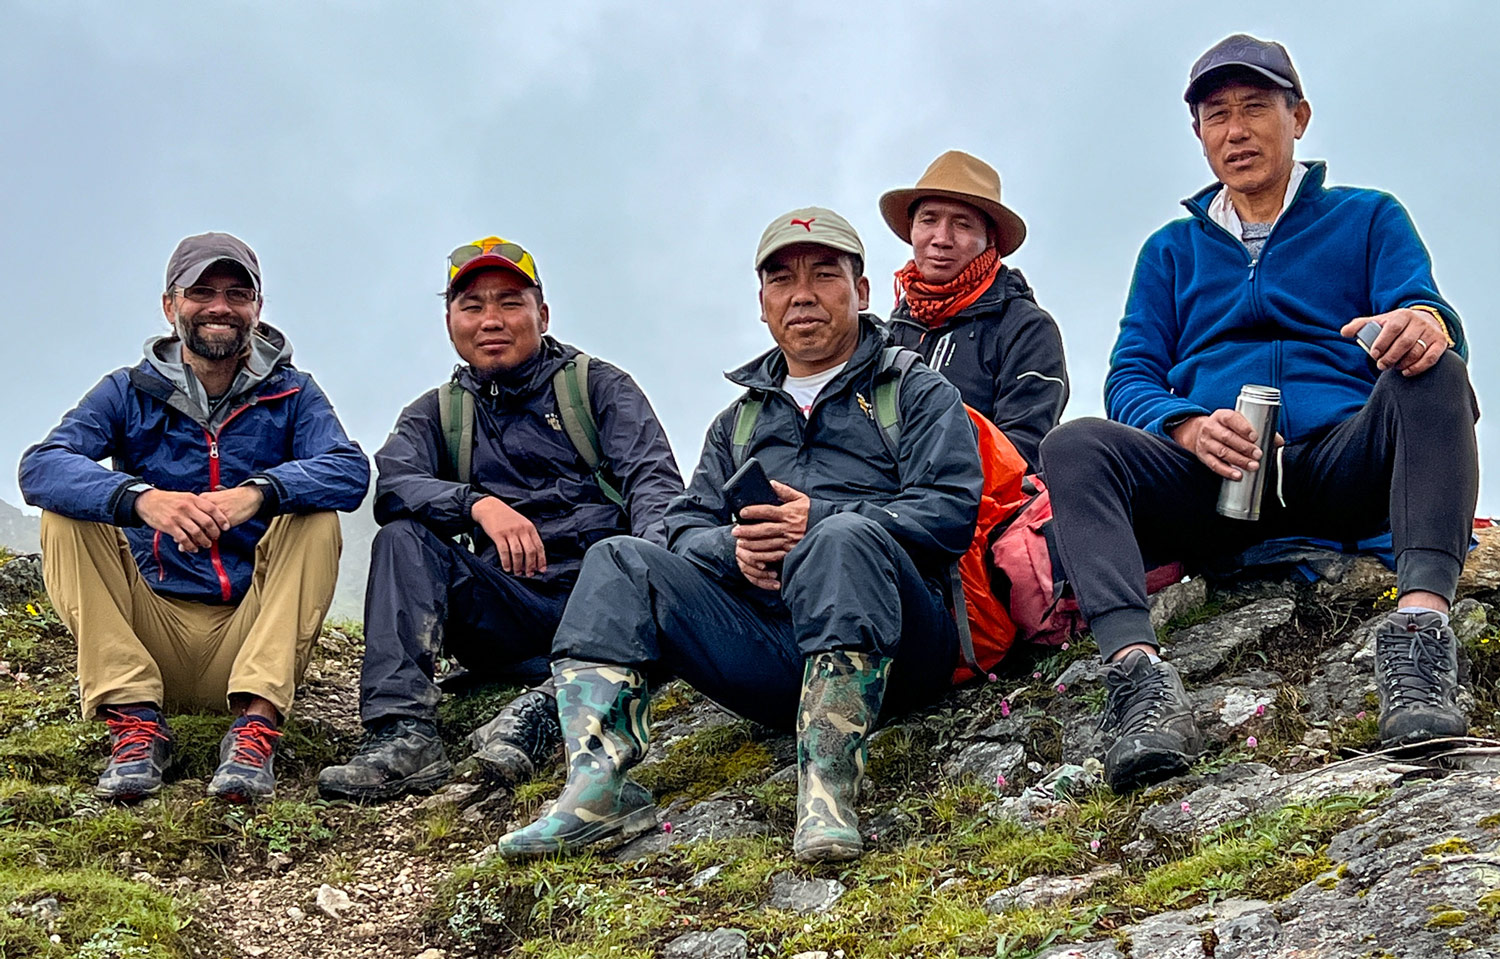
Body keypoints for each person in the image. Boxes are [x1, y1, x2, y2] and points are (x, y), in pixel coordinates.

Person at [1038, 34, 1478, 792]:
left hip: (1339, 460)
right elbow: (1131, 376)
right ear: (1200, 136)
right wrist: (1185, 424)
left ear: (1298, 116)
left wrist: (1420, 323)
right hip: (1215, 479)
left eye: (1254, 108)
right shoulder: (1170, 252)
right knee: (1075, 444)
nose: (1235, 131)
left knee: (1436, 370)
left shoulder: (1368, 218)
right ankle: (1138, 680)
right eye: (1216, 116)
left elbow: (1425, 307)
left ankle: (1420, 638)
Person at [493, 208, 981, 862]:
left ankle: (829, 791)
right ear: (762, 303)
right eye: (781, 279)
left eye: (824, 274)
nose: (801, 293)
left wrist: (822, 518)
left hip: (899, 649)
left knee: (843, 539)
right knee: (619, 559)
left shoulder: (915, 390)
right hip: (773, 652)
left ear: (862, 293)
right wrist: (736, 549)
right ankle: (594, 791)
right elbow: (686, 527)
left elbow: (951, 509)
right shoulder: (739, 421)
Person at [317, 236, 682, 802]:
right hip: (506, 610)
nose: (491, 320)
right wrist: (476, 505)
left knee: (634, 561)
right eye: (472, 305)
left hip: (604, 603)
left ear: (542, 313)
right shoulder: (438, 414)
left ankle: (557, 701)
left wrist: (653, 586)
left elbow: (654, 485)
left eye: (510, 302)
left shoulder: (597, 388)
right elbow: (393, 483)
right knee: (403, 537)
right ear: (449, 320)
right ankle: (401, 734)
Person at [20, 232, 369, 803]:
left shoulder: (294, 393)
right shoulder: (125, 392)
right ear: (169, 304)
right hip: (148, 627)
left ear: (256, 308)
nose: (219, 307)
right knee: (65, 514)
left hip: (248, 635)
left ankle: (255, 727)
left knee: (314, 519)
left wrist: (257, 493)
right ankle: (134, 723)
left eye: (237, 293)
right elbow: (42, 467)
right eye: (201, 291)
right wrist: (141, 499)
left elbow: (348, 470)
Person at [881, 150, 1068, 469]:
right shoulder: (886, 335)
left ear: (989, 238)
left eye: (962, 224)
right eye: (929, 219)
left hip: (981, 508)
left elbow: (1022, 450)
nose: (941, 238)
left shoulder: (1027, 328)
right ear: (912, 228)